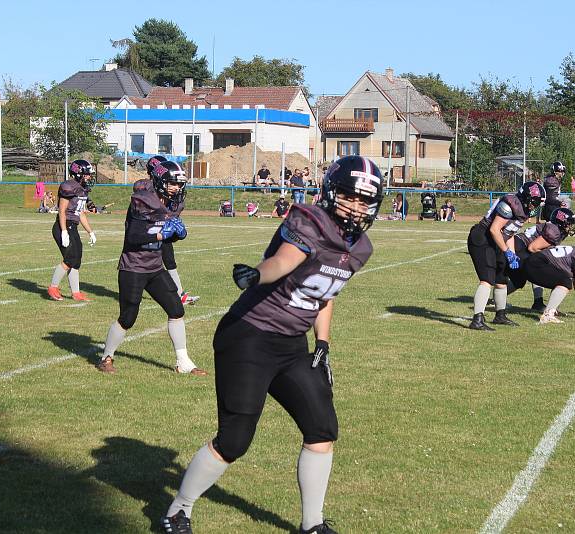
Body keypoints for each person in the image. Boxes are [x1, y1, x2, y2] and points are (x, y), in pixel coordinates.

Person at [161, 155, 385, 534]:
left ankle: (311, 524)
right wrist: (256, 275)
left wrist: (323, 345)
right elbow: (283, 261)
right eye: (349, 196)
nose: (355, 207)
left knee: (322, 429)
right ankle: (178, 510)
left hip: (291, 345)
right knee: (234, 440)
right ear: (331, 191)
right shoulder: (308, 221)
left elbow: (323, 297)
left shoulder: (361, 249)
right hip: (249, 336)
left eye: (364, 200)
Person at [96, 160, 206, 376]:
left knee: (176, 310)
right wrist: (160, 233)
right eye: (172, 183)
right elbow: (134, 236)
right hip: (134, 266)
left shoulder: (172, 203)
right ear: (159, 181)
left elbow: (163, 240)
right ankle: (106, 357)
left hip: (155, 266)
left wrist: (176, 235)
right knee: (128, 318)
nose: (177, 188)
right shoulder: (143, 200)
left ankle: (183, 361)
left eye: (179, 184)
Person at [467, 181, 546, 330]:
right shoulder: (510, 203)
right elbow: (494, 229)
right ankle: (477, 319)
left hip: (496, 240)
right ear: (526, 197)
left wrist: (513, 255)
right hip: (482, 237)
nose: (535, 205)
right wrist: (507, 252)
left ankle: (500, 315)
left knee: (501, 278)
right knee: (487, 279)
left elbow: (509, 233)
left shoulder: (522, 207)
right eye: (534, 201)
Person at [137, 156, 200, 306]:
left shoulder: (173, 197)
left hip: (163, 231)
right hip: (149, 232)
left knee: (168, 261)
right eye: (172, 182)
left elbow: (173, 212)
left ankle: (178, 293)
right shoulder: (145, 190)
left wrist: (177, 232)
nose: (176, 187)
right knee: (145, 263)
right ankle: (136, 291)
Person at [507, 207, 575, 311]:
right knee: (521, 278)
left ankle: (538, 302)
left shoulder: (556, 230)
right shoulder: (554, 231)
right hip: (520, 247)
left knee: (535, 271)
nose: (570, 227)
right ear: (561, 222)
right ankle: (498, 299)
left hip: (522, 247)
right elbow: (533, 248)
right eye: (568, 224)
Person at [48, 160, 97, 302]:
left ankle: (76, 293)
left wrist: (90, 232)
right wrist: (63, 231)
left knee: (76, 260)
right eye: (86, 174)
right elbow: (62, 210)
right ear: (78, 174)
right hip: (63, 225)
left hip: (72, 226)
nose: (89, 177)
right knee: (70, 259)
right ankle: (53, 287)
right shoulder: (68, 187)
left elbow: (80, 212)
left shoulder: (81, 189)